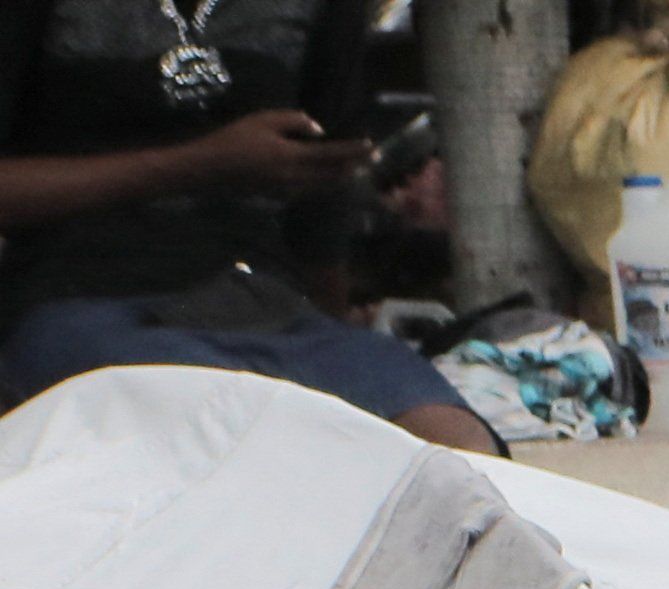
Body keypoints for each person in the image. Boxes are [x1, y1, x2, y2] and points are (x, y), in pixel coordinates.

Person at [0, 0, 496, 450]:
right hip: (77, 298)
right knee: (225, 432)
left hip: (261, 302)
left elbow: (323, 200)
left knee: (455, 444)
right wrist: (197, 164)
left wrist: (336, 325)